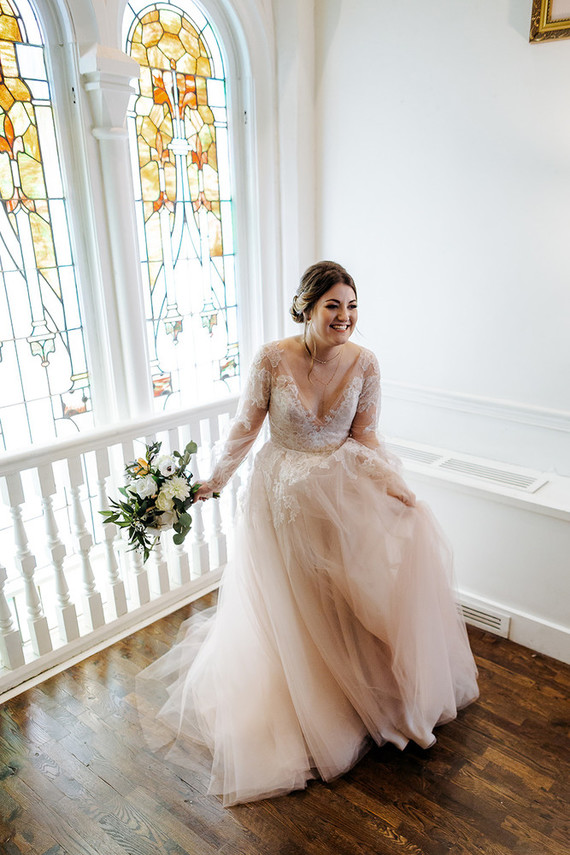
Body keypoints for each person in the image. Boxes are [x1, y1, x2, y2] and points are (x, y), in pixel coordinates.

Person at [136, 260, 479, 807]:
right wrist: (214, 481)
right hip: (279, 496)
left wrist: (395, 485)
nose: (344, 316)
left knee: (346, 594)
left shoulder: (366, 362)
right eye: (333, 306)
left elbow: (364, 435)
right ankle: (307, 701)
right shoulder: (272, 358)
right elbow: (246, 427)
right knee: (294, 602)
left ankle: (362, 695)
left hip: (341, 496)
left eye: (351, 305)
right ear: (307, 307)